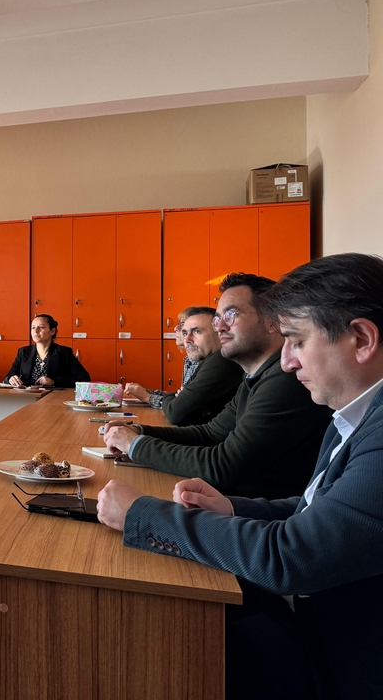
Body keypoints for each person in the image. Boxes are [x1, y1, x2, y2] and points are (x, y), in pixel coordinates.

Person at [97, 253, 383, 700]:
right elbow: (316, 507)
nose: (287, 362)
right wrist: (231, 507)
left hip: (346, 661)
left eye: (296, 341)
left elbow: (293, 557)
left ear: (361, 339)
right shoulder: (354, 414)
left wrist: (142, 514)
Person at [103, 273, 332, 499]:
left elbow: (222, 466)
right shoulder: (255, 376)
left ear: (272, 321)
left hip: (260, 514)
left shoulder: (286, 380)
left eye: (231, 315)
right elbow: (210, 433)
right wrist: (140, 431)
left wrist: (135, 445)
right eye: (217, 319)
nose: (220, 326)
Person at [129, 306, 243, 426]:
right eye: (185, 333)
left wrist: (178, 402)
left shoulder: (221, 361)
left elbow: (176, 413)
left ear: (219, 333)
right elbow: (180, 401)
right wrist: (179, 401)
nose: (187, 339)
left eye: (197, 331)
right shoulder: (207, 361)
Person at [3, 314, 90, 387]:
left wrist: (54, 382)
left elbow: (84, 379)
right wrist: (11, 379)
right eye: (33, 328)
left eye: (41, 327)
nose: (36, 331)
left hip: (53, 398)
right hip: (27, 397)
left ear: (52, 331)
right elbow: (8, 377)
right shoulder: (23, 352)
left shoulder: (64, 353)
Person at [128, 309, 190, 408]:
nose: (175, 328)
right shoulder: (189, 360)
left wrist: (147, 397)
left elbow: (180, 407)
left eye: (182, 324)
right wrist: (144, 392)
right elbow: (175, 398)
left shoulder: (202, 363)